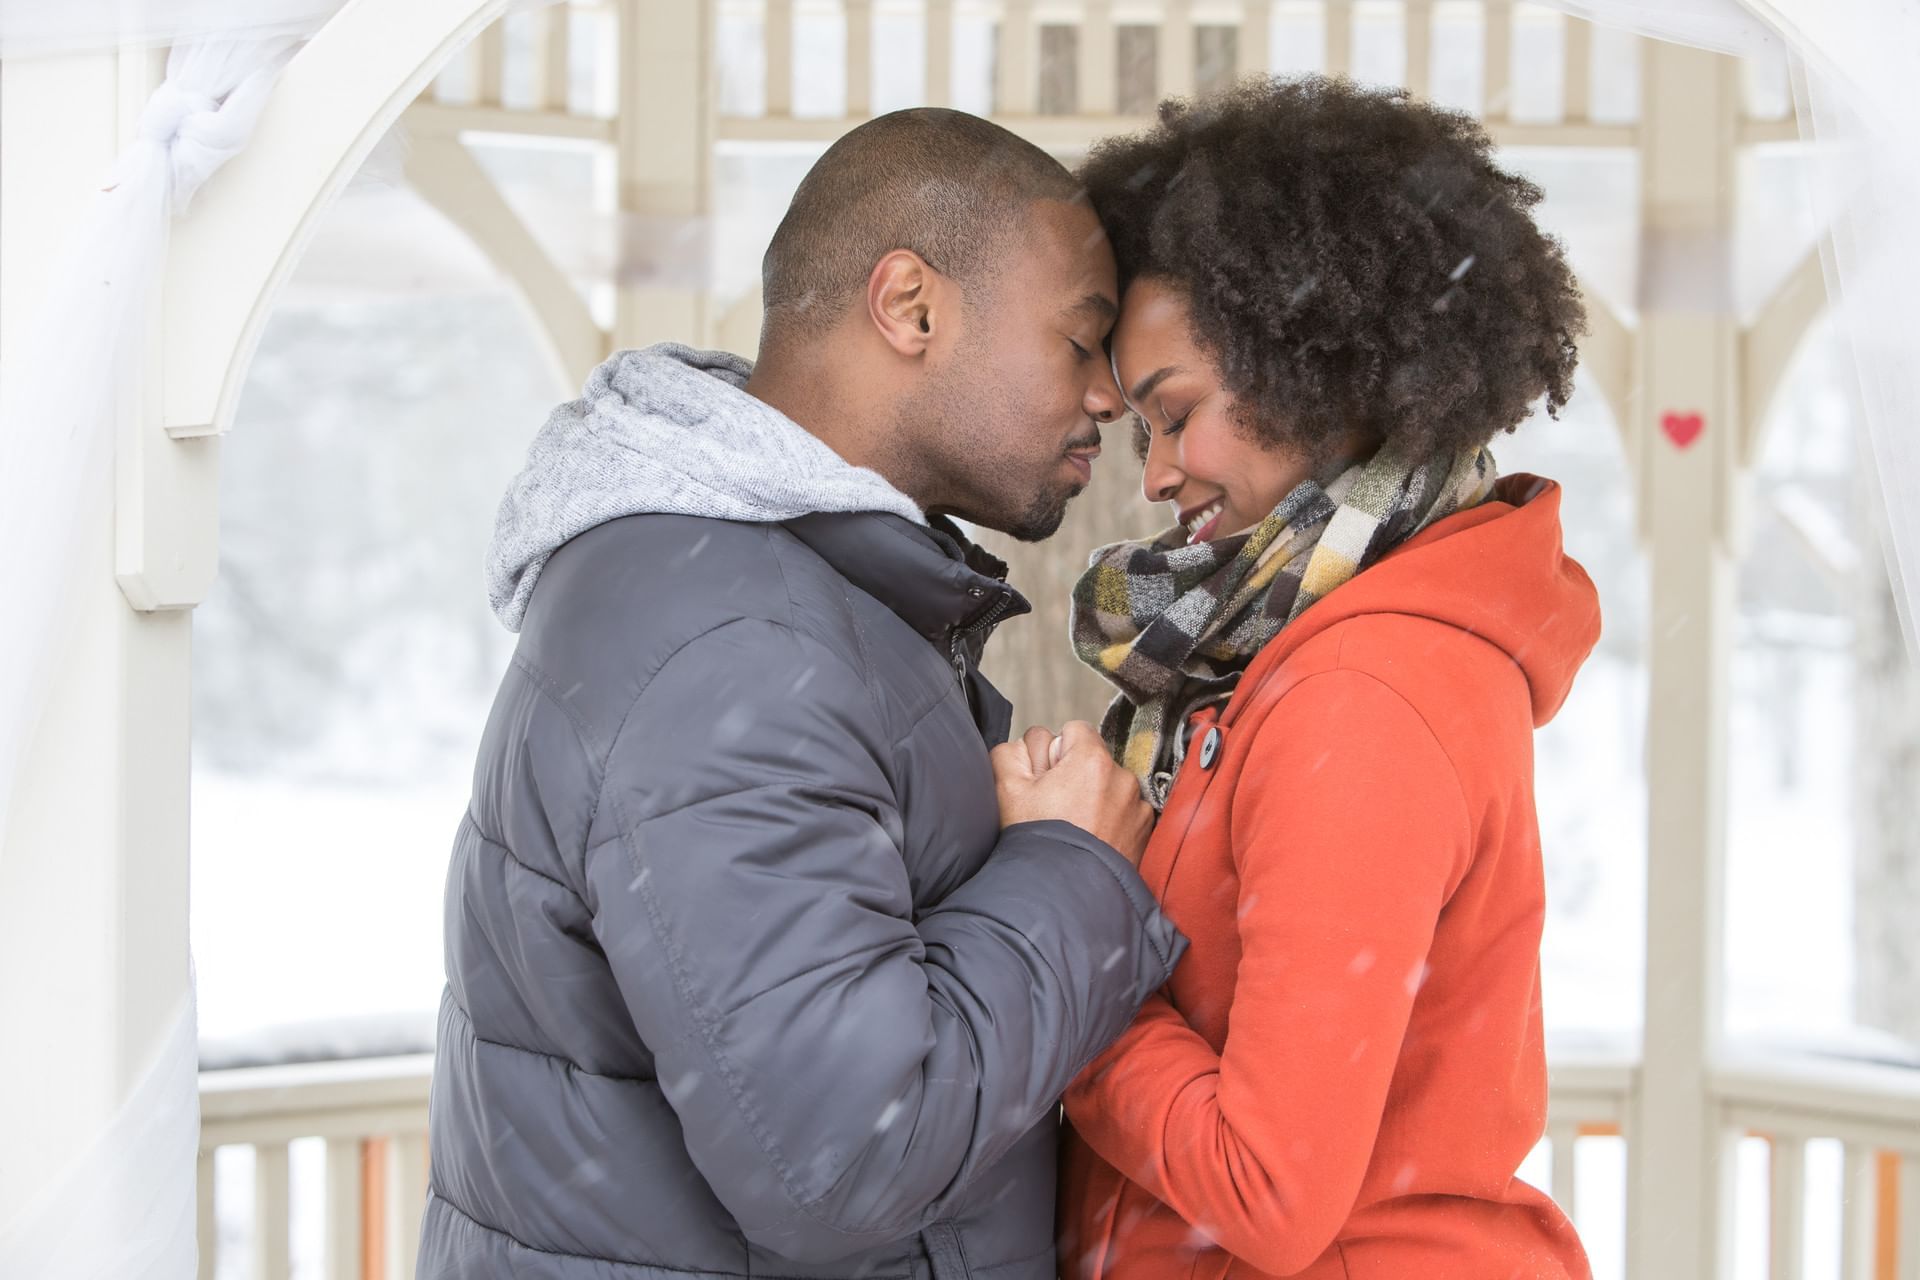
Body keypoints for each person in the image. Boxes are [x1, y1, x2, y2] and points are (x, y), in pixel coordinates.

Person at [415, 108, 1187, 1280]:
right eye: (1081, 342)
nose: (1110, 399)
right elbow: (841, 1158)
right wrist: (1072, 868)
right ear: (911, 307)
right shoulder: (736, 642)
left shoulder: (775, 595)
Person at [1051, 76, 1600, 1279]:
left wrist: (1068, 939)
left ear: (1318, 370)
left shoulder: (1361, 693)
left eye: (1175, 413)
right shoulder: (1295, 654)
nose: (1155, 477)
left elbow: (1268, 1185)